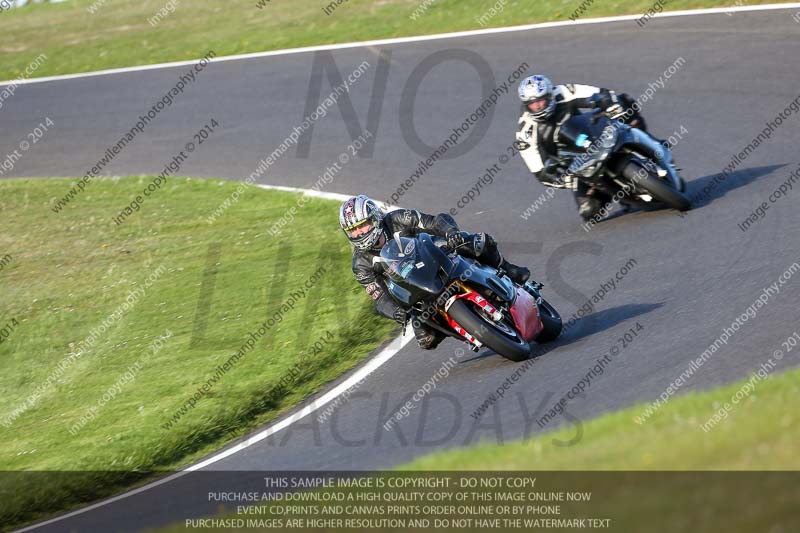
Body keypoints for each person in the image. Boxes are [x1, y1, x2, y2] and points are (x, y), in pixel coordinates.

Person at [340, 195, 530, 350]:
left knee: (476, 243)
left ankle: (507, 268)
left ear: (374, 219)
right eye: (352, 230)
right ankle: (468, 329)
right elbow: (378, 297)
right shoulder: (360, 264)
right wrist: (396, 313)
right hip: (415, 288)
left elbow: (435, 221)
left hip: (434, 254)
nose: (358, 233)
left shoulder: (397, 218)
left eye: (361, 225)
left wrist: (451, 233)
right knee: (426, 339)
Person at [514, 74, 679, 220]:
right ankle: (618, 194)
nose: (538, 106)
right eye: (533, 104)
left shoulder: (563, 92)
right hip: (573, 162)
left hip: (593, 133)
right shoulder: (525, 132)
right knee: (589, 212)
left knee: (625, 102)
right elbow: (539, 172)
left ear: (550, 94)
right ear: (526, 104)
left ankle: (655, 145)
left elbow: (598, 93)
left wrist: (608, 102)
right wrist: (561, 177)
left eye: (541, 100)